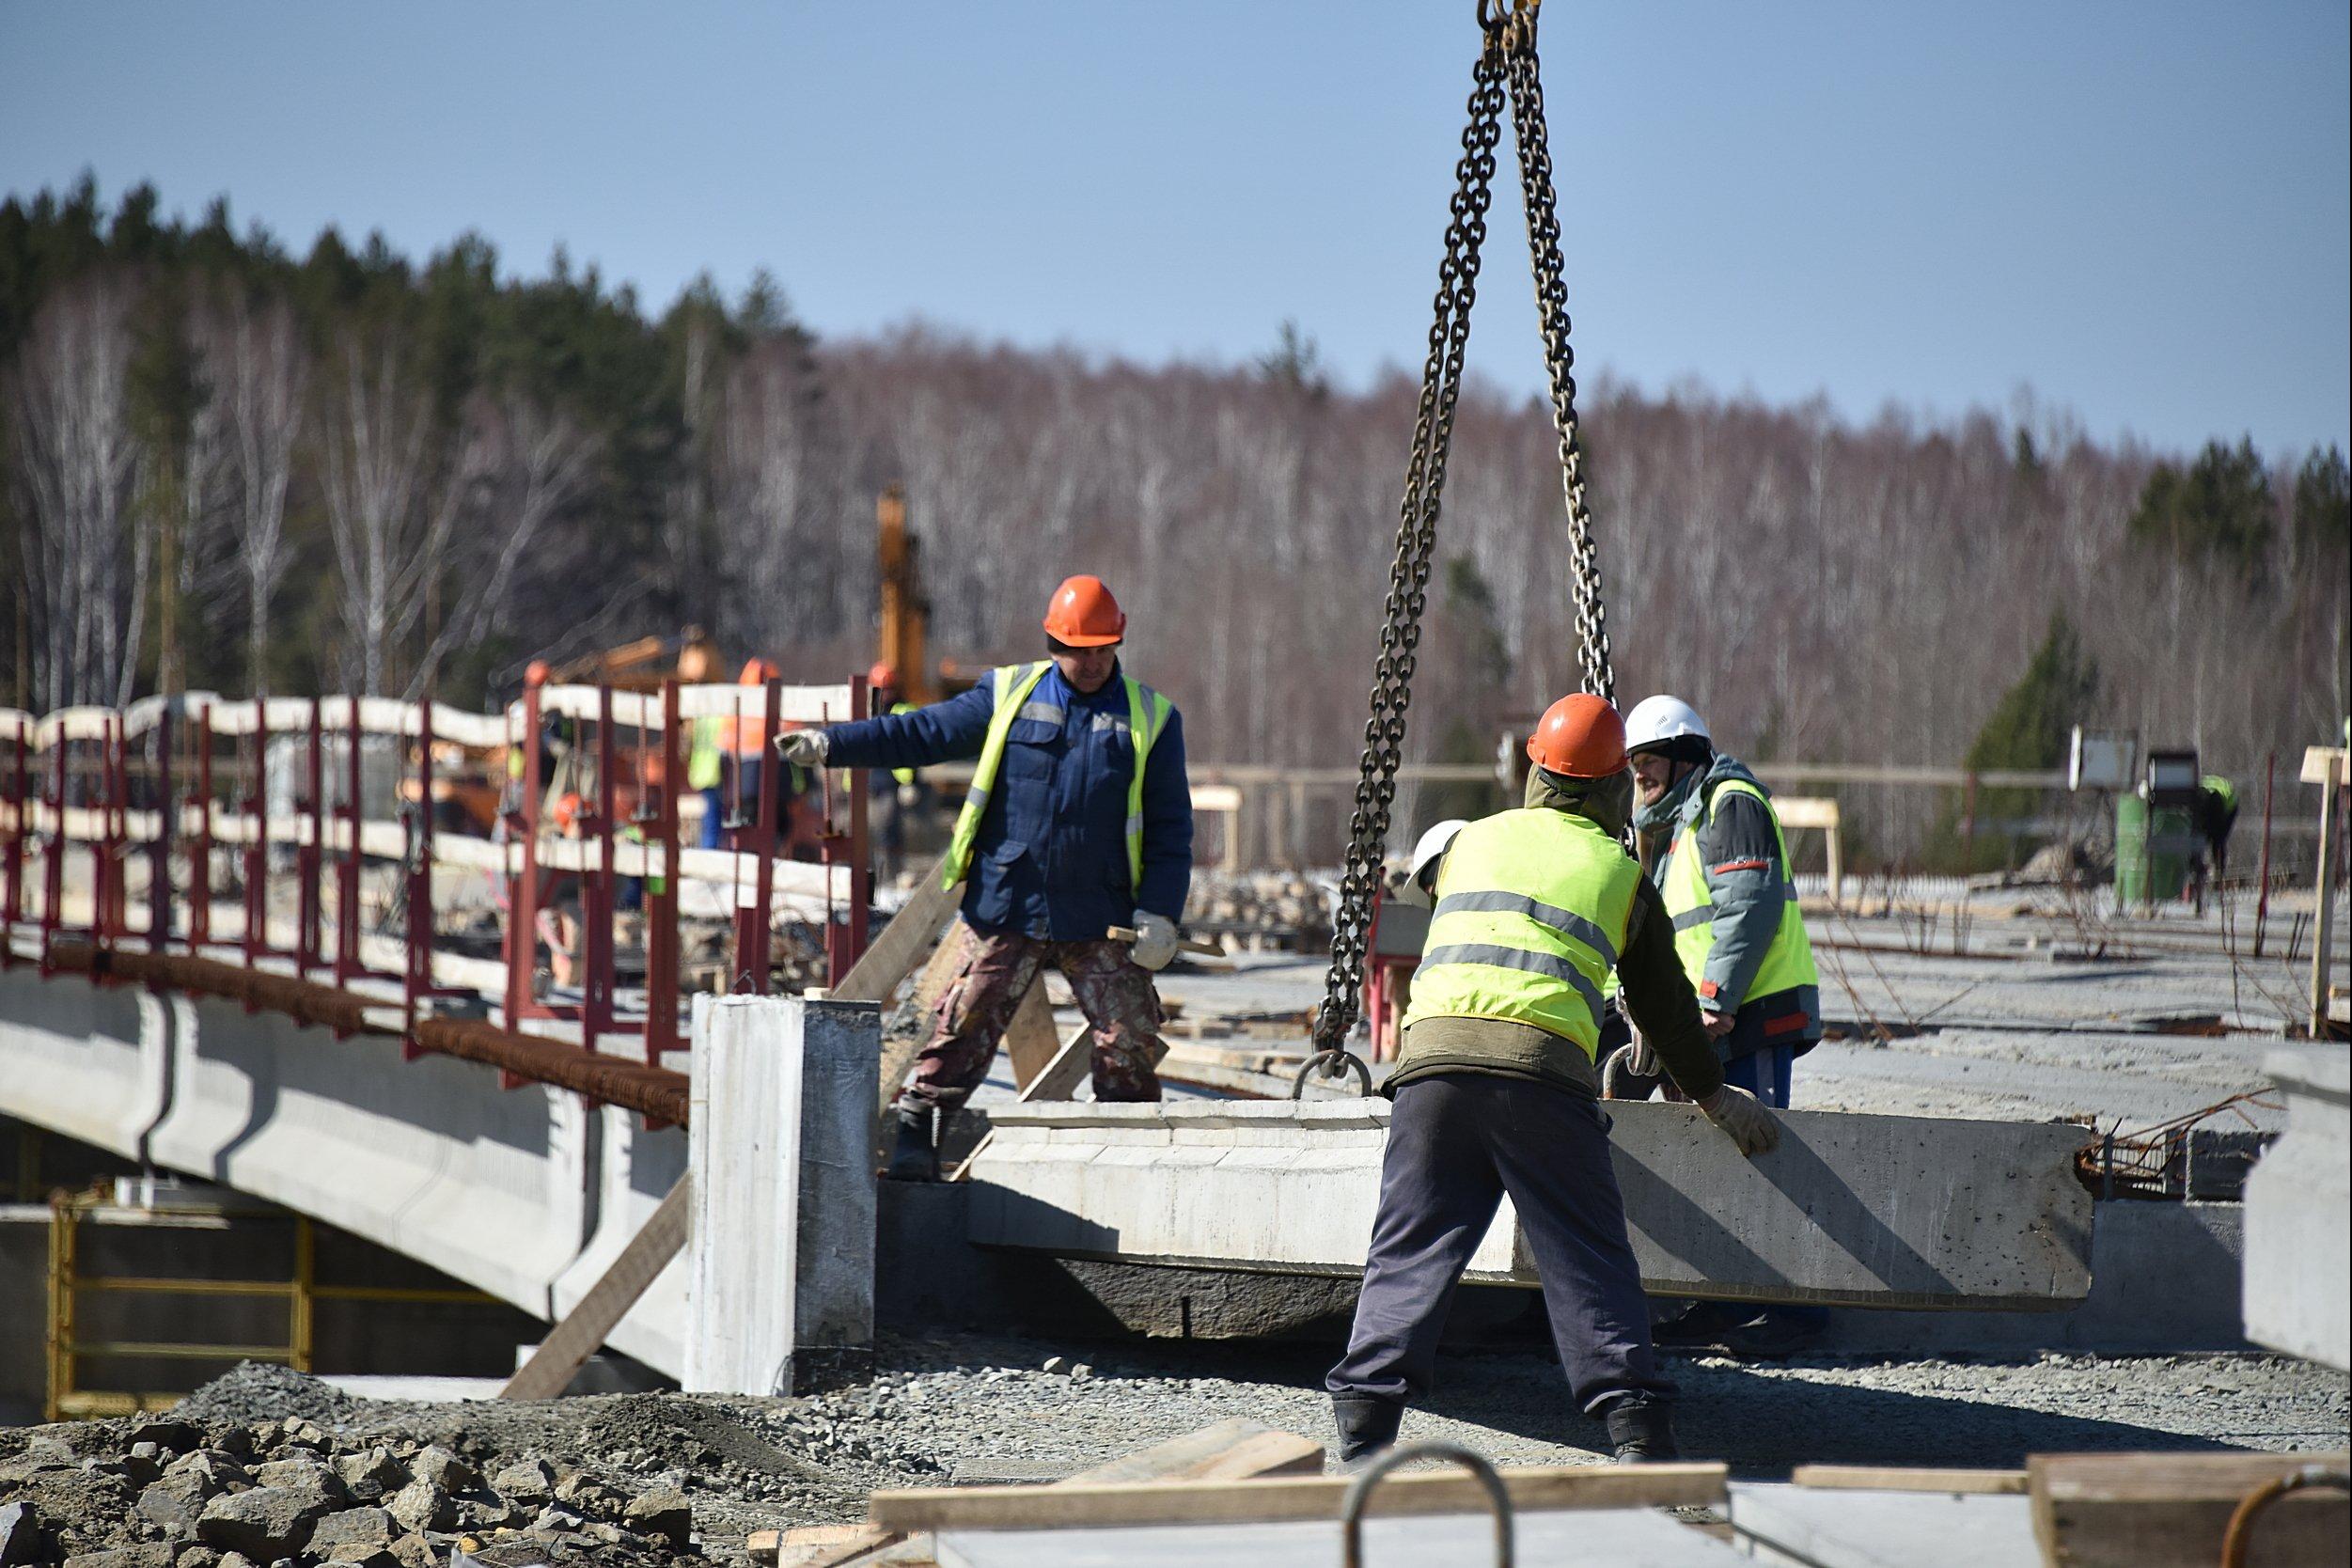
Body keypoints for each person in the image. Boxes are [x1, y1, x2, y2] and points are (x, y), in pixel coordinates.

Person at [1325, 694, 1780, 1467]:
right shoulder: (1620, 871)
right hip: (1538, 1078)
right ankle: (1635, 1423)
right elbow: (1666, 1009)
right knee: (1586, 1251)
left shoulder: (1470, 842)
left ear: (1535, 768)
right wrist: (1712, 1094)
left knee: (1411, 1241)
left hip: (1428, 1070)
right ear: (1610, 784)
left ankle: (1365, 1415)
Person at [780, 575, 1193, 1180]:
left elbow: (1170, 829)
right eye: (1079, 649)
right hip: (1011, 901)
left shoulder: (1151, 718)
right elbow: (921, 733)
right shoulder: (1009, 693)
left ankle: (1127, 1150)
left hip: (1101, 912)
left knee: (1128, 1035)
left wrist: (1159, 912)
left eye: (1103, 648)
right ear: (1054, 644)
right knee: (964, 1021)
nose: (1091, 660)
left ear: (1119, 642)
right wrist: (832, 745)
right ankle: (920, 1136)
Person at [1621, 694, 1827, 1355]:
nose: (1639, 777)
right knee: (1716, 1160)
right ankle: (1724, 1298)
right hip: (1712, 1024)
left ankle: (1794, 1311)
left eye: (1648, 762)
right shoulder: (1682, 828)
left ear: (1686, 757)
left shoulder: (1728, 804)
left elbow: (1750, 905)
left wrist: (1714, 1001)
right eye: (1632, 766)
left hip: (1750, 1016)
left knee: (1761, 1151)